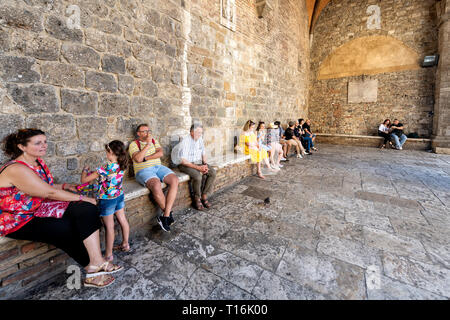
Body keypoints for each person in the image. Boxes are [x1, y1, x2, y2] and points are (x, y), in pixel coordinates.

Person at [0, 129, 122, 288]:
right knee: (65, 227)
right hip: (16, 219)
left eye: (44, 141)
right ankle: (94, 268)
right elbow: (49, 192)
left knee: (86, 210)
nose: (44, 146)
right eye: (38, 143)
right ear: (22, 147)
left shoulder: (38, 162)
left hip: (37, 207)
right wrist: (83, 197)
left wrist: (65, 186)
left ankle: (95, 264)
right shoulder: (16, 169)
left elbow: (45, 186)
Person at [79, 140, 130, 262]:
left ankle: (108, 255)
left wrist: (85, 170)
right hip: (119, 195)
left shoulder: (105, 168)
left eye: (107, 152)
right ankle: (125, 244)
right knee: (122, 219)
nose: (106, 154)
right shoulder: (122, 164)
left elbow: (84, 180)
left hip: (107, 200)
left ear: (111, 152)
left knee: (109, 227)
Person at [129, 124, 179, 232]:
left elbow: (160, 153)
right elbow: (137, 159)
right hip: (143, 170)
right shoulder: (134, 144)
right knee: (156, 185)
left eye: (148, 130)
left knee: (175, 180)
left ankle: (165, 216)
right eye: (144, 131)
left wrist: (146, 158)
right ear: (138, 133)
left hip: (158, 167)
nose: (147, 133)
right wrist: (147, 144)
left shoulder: (154, 140)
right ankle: (168, 214)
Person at [177, 124, 217, 211]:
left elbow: (203, 153)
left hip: (198, 162)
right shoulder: (185, 141)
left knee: (212, 172)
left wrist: (205, 164)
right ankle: (197, 198)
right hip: (185, 164)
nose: (200, 135)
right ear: (191, 132)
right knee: (198, 176)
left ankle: (204, 195)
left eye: (201, 133)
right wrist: (199, 168)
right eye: (198, 133)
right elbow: (183, 161)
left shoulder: (200, 140)